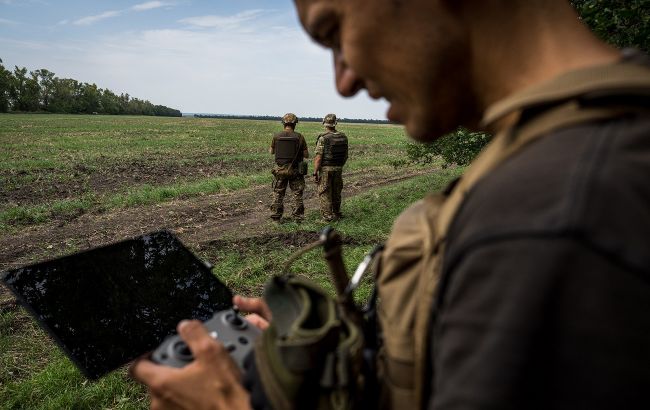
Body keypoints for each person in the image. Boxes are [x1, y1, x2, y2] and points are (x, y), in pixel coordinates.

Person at [132, 0, 650, 409]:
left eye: (335, 31)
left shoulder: (549, 218)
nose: (345, 79)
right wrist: (345, 355)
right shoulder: (576, 151)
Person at [269, 113, 309, 221]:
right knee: (297, 194)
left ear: (283, 123)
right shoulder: (300, 137)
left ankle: (276, 217)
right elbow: (306, 155)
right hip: (295, 171)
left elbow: (271, 152)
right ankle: (297, 217)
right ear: (295, 124)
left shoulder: (276, 136)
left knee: (278, 193)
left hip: (280, 170)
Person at [312, 113, 348, 221]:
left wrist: (315, 172)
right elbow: (346, 156)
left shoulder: (323, 138)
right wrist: (339, 166)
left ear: (324, 123)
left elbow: (318, 158)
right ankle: (337, 213)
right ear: (335, 123)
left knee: (324, 192)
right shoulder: (343, 137)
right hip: (338, 168)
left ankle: (327, 217)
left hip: (326, 170)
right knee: (336, 192)